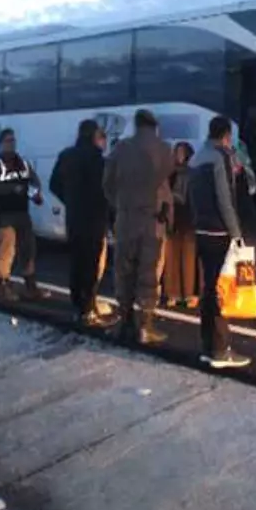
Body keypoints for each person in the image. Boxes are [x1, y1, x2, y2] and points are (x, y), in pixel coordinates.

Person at [103, 109, 175, 345]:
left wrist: (121, 204)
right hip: (151, 220)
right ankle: (145, 326)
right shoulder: (164, 149)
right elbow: (167, 179)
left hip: (126, 219)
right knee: (148, 272)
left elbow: (107, 184)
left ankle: (124, 321)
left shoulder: (121, 148)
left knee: (123, 271)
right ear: (154, 125)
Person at [188, 116, 253, 369]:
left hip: (202, 230)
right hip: (219, 231)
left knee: (208, 289)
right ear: (226, 136)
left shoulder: (195, 158)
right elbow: (225, 199)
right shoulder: (221, 157)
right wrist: (236, 233)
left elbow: (189, 195)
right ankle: (220, 349)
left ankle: (207, 346)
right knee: (219, 290)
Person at [51, 119, 117, 329]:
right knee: (90, 264)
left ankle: (78, 305)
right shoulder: (97, 159)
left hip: (74, 217)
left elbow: (54, 184)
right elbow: (107, 191)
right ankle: (88, 310)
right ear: (93, 136)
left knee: (76, 262)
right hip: (94, 218)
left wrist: (69, 200)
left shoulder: (66, 155)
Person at [0, 127, 47, 303]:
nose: (11, 144)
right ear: (0, 144)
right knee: (7, 250)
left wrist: (35, 194)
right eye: (8, 141)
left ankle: (30, 286)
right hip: (4, 214)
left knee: (28, 249)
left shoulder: (23, 163)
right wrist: (12, 188)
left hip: (22, 212)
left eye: (13, 141)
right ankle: (3, 287)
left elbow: (34, 181)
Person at [162, 141, 200, 309]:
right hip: (173, 217)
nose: (178, 155)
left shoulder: (192, 174)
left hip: (189, 219)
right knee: (171, 257)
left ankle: (190, 293)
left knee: (188, 259)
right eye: (176, 152)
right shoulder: (169, 173)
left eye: (181, 152)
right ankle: (172, 292)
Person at [231, 139, 256, 283]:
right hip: (245, 215)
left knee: (247, 250)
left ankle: (250, 282)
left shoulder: (241, 177)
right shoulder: (244, 176)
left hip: (244, 217)